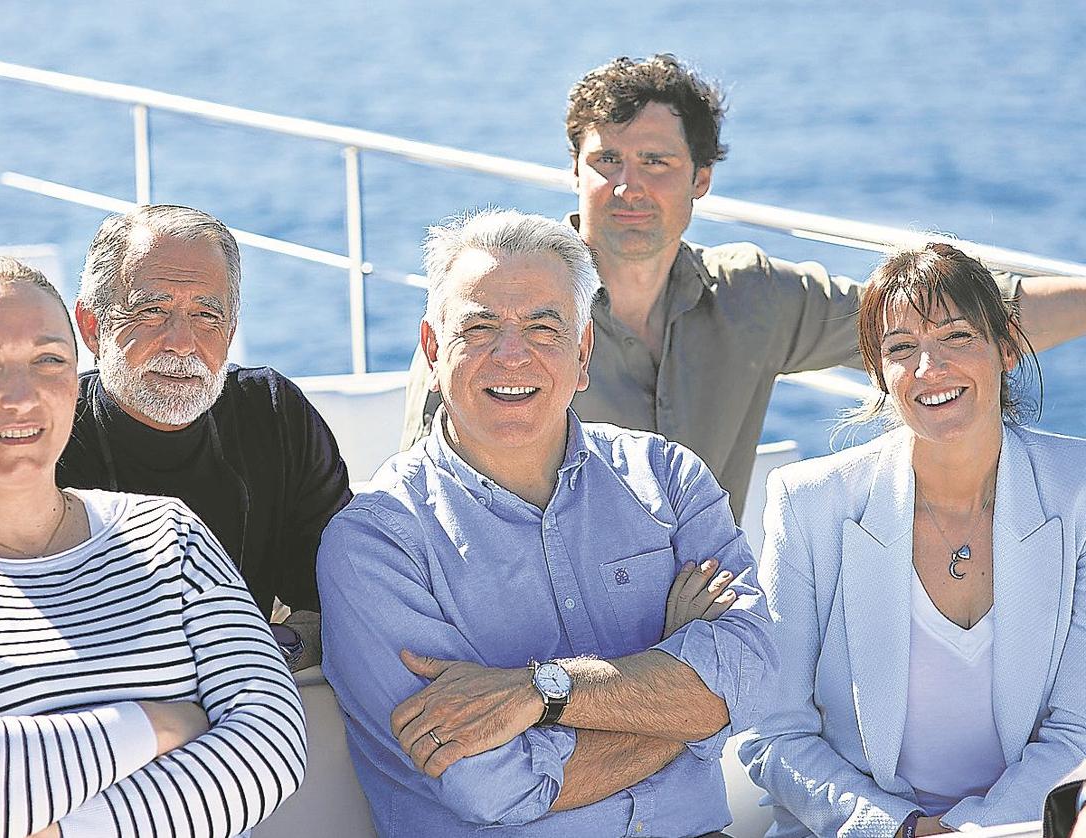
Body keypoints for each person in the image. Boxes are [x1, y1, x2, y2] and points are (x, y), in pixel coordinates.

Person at [400, 54, 1086, 520]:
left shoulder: (751, 297)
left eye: (656, 162)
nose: (627, 186)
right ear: (574, 171)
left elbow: (961, 315)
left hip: (704, 624)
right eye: (605, 160)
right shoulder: (495, 315)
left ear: (701, 179)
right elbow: (423, 495)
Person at [319, 209, 776, 837]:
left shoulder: (667, 478)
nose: (512, 357)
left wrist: (543, 693)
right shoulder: (377, 541)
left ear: (583, 352)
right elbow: (491, 785)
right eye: (480, 328)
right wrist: (681, 701)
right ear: (432, 350)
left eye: (542, 328)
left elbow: (756, 679)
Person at [0, 256, 306, 837]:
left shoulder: (169, 534)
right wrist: (157, 725)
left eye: (48, 361)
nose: (21, 396)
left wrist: (61, 826)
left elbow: (271, 745)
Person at [739, 243, 1086, 836]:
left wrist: (973, 835)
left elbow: (1078, 728)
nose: (930, 368)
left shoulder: (1077, 491)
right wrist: (900, 829)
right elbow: (773, 734)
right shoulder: (809, 503)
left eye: (955, 336)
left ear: (1005, 346)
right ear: (879, 373)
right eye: (902, 349)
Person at [58, 204, 351, 671]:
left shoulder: (274, 414)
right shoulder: (44, 435)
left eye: (206, 316)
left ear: (231, 331)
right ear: (93, 328)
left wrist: (273, 651)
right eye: (152, 312)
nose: (182, 342)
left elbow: (341, 602)